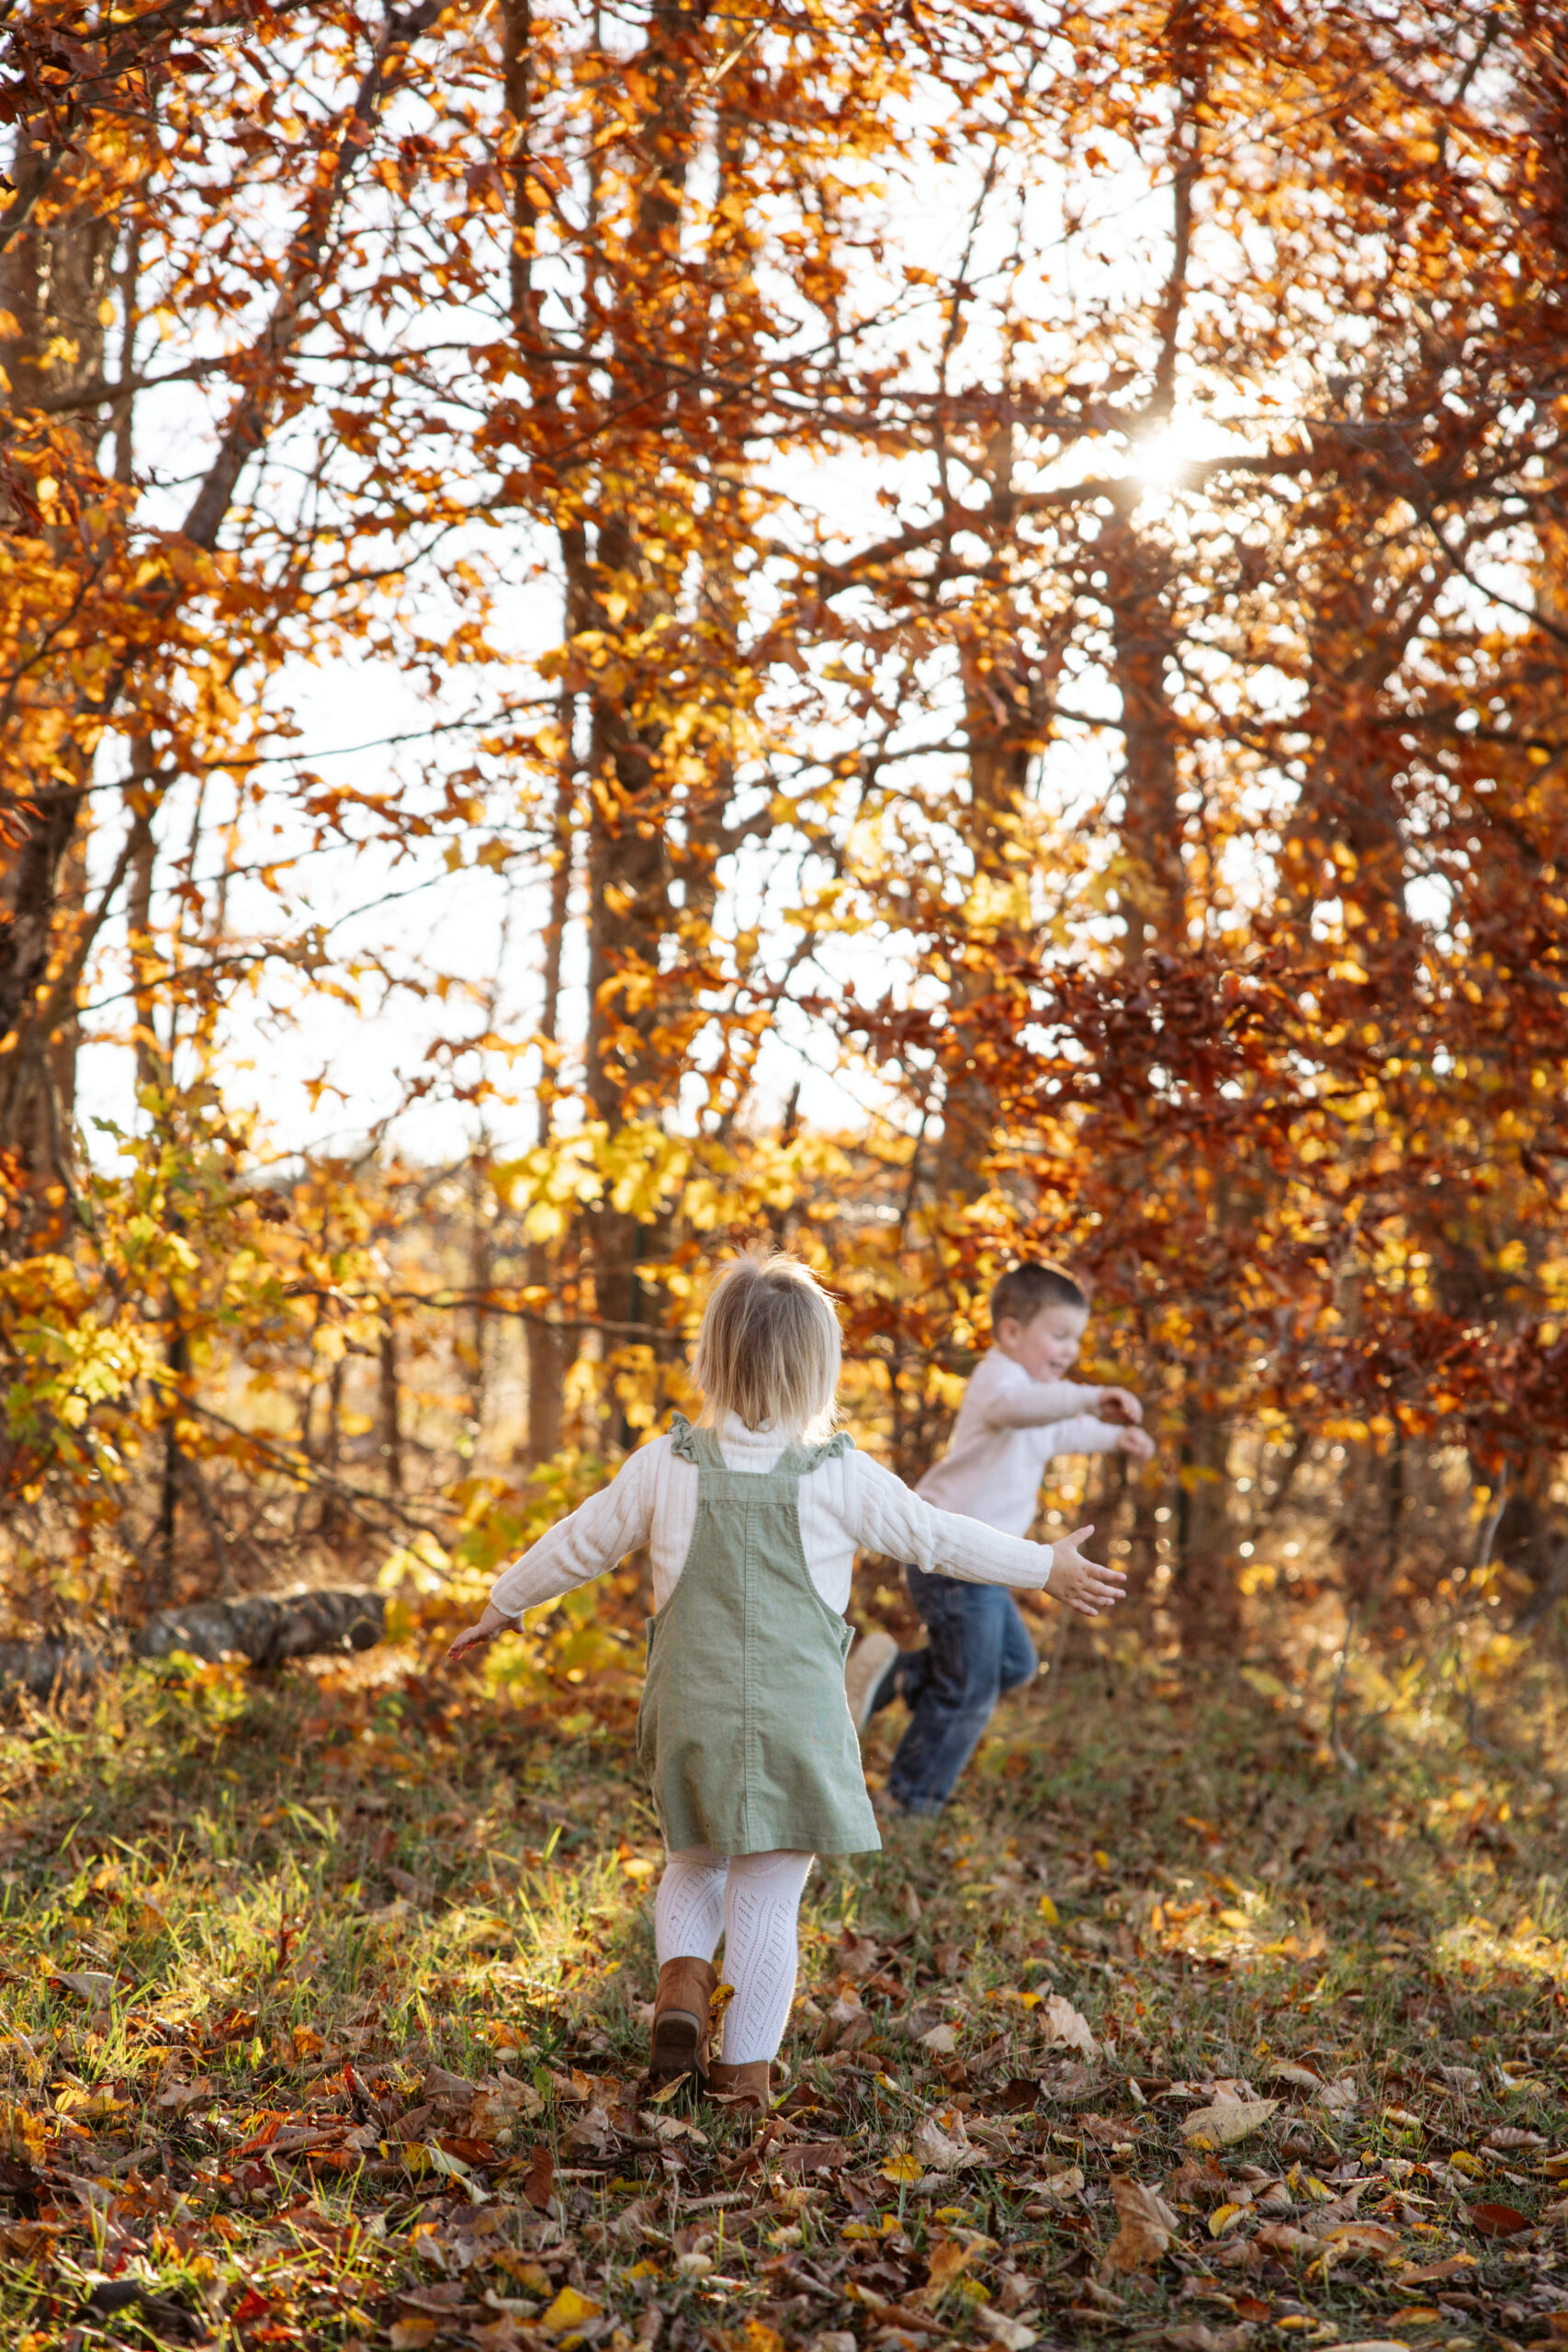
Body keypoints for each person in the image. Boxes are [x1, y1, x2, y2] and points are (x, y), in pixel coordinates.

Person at [446, 1250, 1125, 2108]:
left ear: (711, 1358)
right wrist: (1043, 1566)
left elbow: (580, 1541)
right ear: (820, 1368)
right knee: (769, 1894)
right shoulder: (839, 1474)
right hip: (796, 1721)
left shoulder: (666, 1463)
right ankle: (743, 2082)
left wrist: (503, 1604)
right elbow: (938, 1537)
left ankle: (682, 1988)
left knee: (693, 1863)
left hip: (691, 1709)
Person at [846, 1261, 1155, 1817]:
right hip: (952, 1553)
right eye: (1058, 1336)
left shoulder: (1042, 1395)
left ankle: (898, 1675)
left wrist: (1117, 1435)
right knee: (971, 1690)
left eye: (1076, 1339)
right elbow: (1028, 1409)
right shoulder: (999, 1381)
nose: (1068, 1350)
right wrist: (1087, 1396)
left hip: (987, 1563)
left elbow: (1063, 1427)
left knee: (1012, 1664)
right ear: (1011, 1333)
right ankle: (907, 1802)